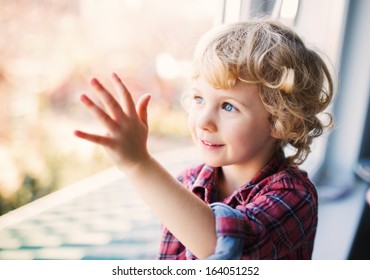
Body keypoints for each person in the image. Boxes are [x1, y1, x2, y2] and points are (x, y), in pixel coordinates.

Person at [74, 19, 334, 259]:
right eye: (199, 99)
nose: (202, 122)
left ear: (280, 120)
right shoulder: (187, 183)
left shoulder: (294, 196)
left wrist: (138, 164)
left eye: (228, 107)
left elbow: (222, 251)